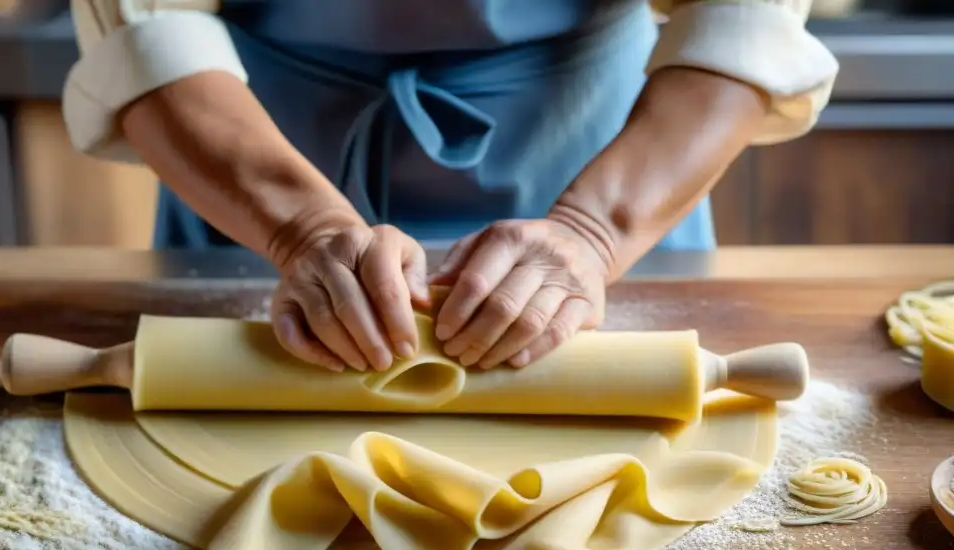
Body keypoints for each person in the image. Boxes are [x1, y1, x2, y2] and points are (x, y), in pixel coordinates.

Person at [65, 0, 837, 373]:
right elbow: (145, 35)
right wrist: (299, 230)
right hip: (251, 161)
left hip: (608, 160)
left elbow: (744, 20)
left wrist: (593, 233)